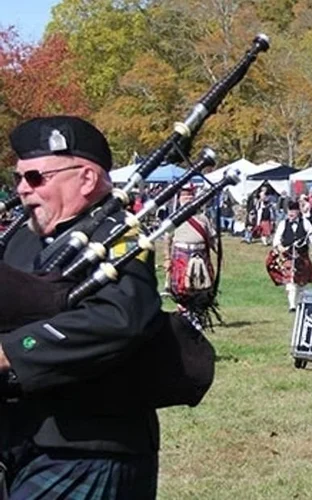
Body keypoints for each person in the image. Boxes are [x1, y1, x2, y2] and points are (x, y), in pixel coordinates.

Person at [2, 116, 161, 497]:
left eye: (36, 177)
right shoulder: (20, 241)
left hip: (89, 447)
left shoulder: (120, 236)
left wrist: (11, 352)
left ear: (86, 179)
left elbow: (118, 320)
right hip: (22, 438)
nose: (23, 189)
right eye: (18, 178)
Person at [163, 183, 220, 327]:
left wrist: (219, 253)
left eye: (190, 195)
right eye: (185, 195)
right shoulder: (174, 218)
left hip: (200, 254)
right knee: (182, 289)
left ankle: (198, 317)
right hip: (181, 255)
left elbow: (212, 239)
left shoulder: (203, 218)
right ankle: (184, 317)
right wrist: (167, 258)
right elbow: (167, 239)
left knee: (200, 288)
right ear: (179, 198)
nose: (188, 197)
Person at [267, 201, 312, 311]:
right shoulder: (283, 223)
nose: (290, 214)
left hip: (302, 256)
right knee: (290, 282)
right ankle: (292, 306)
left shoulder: (305, 222)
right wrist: (279, 246)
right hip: (289, 256)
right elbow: (276, 238)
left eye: (293, 211)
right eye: (289, 211)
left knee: (302, 283)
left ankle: (301, 303)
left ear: (298, 212)